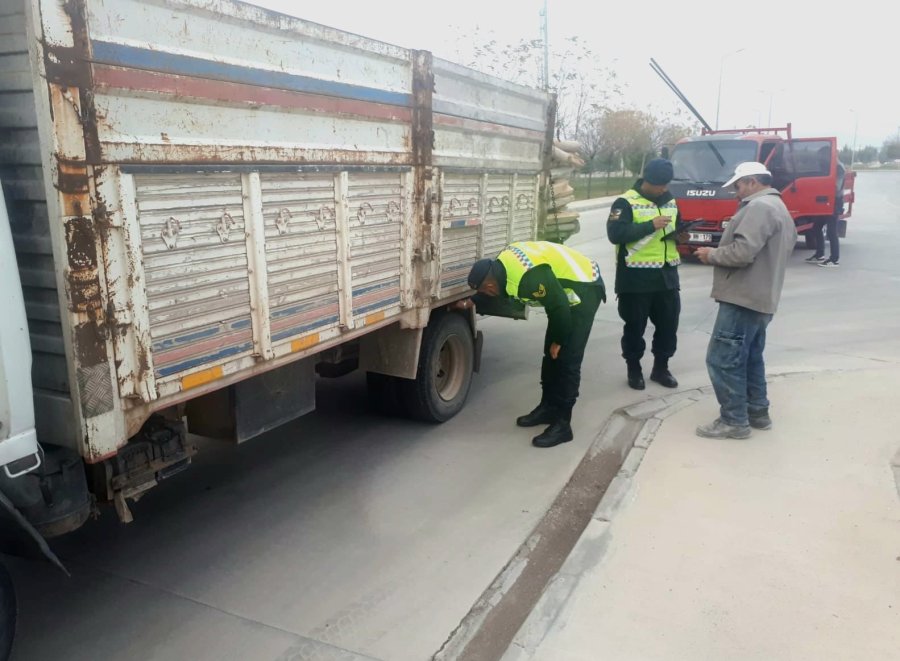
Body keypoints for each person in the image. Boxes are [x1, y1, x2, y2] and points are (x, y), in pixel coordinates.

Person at [464, 241, 606, 448]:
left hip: (584, 289)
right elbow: (501, 295)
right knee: (550, 356)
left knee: (567, 360)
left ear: (491, 284)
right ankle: (548, 408)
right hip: (562, 297)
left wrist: (558, 341)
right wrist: (473, 301)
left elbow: (560, 309)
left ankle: (563, 424)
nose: (489, 293)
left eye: (486, 290)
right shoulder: (501, 268)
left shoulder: (529, 278)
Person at [694, 161, 797, 439]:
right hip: (761, 297)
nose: (736, 192)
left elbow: (742, 253)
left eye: (738, 185)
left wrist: (711, 255)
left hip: (744, 299)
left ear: (752, 182)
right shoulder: (779, 207)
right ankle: (757, 413)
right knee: (750, 357)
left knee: (722, 360)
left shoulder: (759, 208)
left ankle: (734, 421)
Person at [607, 158, 685, 391]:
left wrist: (681, 236)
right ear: (646, 181)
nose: (663, 188)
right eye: (658, 184)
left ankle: (661, 368)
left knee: (668, 327)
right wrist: (651, 225)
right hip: (635, 279)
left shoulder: (671, 201)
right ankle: (634, 370)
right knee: (634, 327)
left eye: (666, 184)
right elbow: (616, 234)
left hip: (667, 276)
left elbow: (677, 225)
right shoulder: (625, 202)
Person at [805, 160, 845, 267]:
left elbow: (836, 187)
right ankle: (819, 254)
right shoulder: (829, 165)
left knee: (832, 231)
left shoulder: (838, 168)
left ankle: (834, 259)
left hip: (834, 202)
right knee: (816, 227)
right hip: (825, 201)